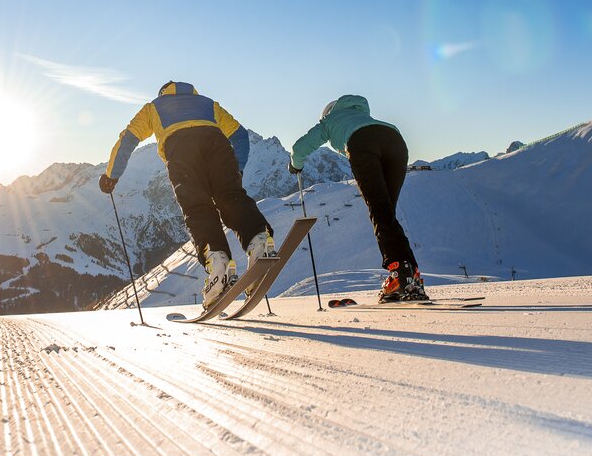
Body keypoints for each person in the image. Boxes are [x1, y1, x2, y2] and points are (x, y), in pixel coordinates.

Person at [99, 81, 275, 308]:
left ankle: (218, 263)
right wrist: (237, 168)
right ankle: (259, 241)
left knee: (197, 207)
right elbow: (240, 134)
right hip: (217, 144)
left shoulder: (154, 107)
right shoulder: (207, 104)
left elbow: (128, 138)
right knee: (231, 196)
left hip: (180, 150)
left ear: (162, 93)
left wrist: (111, 176)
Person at [288, 95, 428, 302]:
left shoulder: (330, 121)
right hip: (396, 142)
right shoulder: (362, 116)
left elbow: (300, 147)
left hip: (361, 144)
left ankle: (399, 275)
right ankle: (411, 277)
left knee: (380, 211)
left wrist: (295, 165)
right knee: (386, 213)